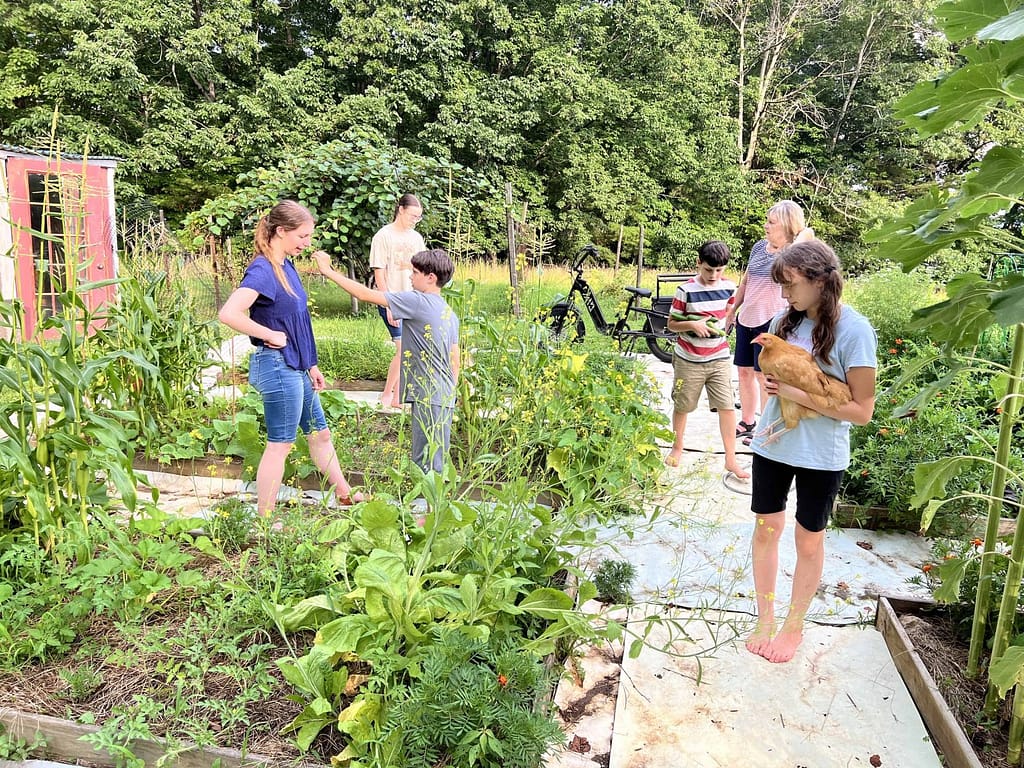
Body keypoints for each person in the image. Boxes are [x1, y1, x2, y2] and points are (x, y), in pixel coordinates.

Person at [745, 239, 877, 664]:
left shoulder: (855, 331)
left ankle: (793, 627)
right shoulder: (787, 321)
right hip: (773, 444)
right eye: (782, 286)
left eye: (791, 285)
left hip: (820, 455)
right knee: (766, 530)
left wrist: (796, 393)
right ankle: (765, 618)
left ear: (820, 281)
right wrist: (776, 389)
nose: (786, 295)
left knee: (807, 540)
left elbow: (861, 411)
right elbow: (777, 381)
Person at [218, 200, 363, 519]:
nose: (307, 243)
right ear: (281, 231)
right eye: (303, 236)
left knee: (320, 434)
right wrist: (267, 334)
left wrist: (311, 363)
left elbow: (294, 320)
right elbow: (228, 313)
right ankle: (266, 519)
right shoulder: (263, 269)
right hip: (277, 365)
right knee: (280, 444)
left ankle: (345, 494)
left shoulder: (286, 266)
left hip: (297, 366)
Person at [313, 248, 461, 473]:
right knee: (435, 458)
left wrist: (328, 271)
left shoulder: (418, 301)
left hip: (429, 394)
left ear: (431, 278)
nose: (410, 277)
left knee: (426, 463)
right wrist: (451, 391)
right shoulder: (448, 312)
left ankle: (428, 507)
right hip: (442, 395)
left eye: (415, 272)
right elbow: (455, 358)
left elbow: (365, 295)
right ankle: (432, 505)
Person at [725, 201, 814, 444]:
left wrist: (794, 235)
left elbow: (808, 234)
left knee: (764, 377)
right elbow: (747, 280)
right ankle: (747, 422)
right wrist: (733, 309)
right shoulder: (757, 248)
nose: (765, 226)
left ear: (787, 224)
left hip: (771, 322)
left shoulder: (793, 254)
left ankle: (765, 427)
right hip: (747, 318)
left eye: (771, 222)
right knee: (744, 372)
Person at [664, 241, 749, 479]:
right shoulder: (685, 290)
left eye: (719, 270)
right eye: (708, 269)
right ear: (698, 264)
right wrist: (692, 324)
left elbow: (728, 313)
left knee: (727, 407)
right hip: (689, 358)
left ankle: (731, 459)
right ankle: (677, 447)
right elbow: (671, 324)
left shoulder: (730, 288)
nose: (713, 275)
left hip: (719, 357)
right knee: (683, 406)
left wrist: (718, 328)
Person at [370, 193, 427, 409]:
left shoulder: (416, 238)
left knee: (409, 349)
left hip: (413, 299)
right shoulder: (383, 236)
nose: (415, 220)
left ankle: (397, 397)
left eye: (418, 217)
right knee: (403, 347)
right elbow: (379, 272)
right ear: (401, 210)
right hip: (392, 299)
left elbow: (422, 270)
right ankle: (387, 395)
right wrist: (389, 305)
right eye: (413, 215)